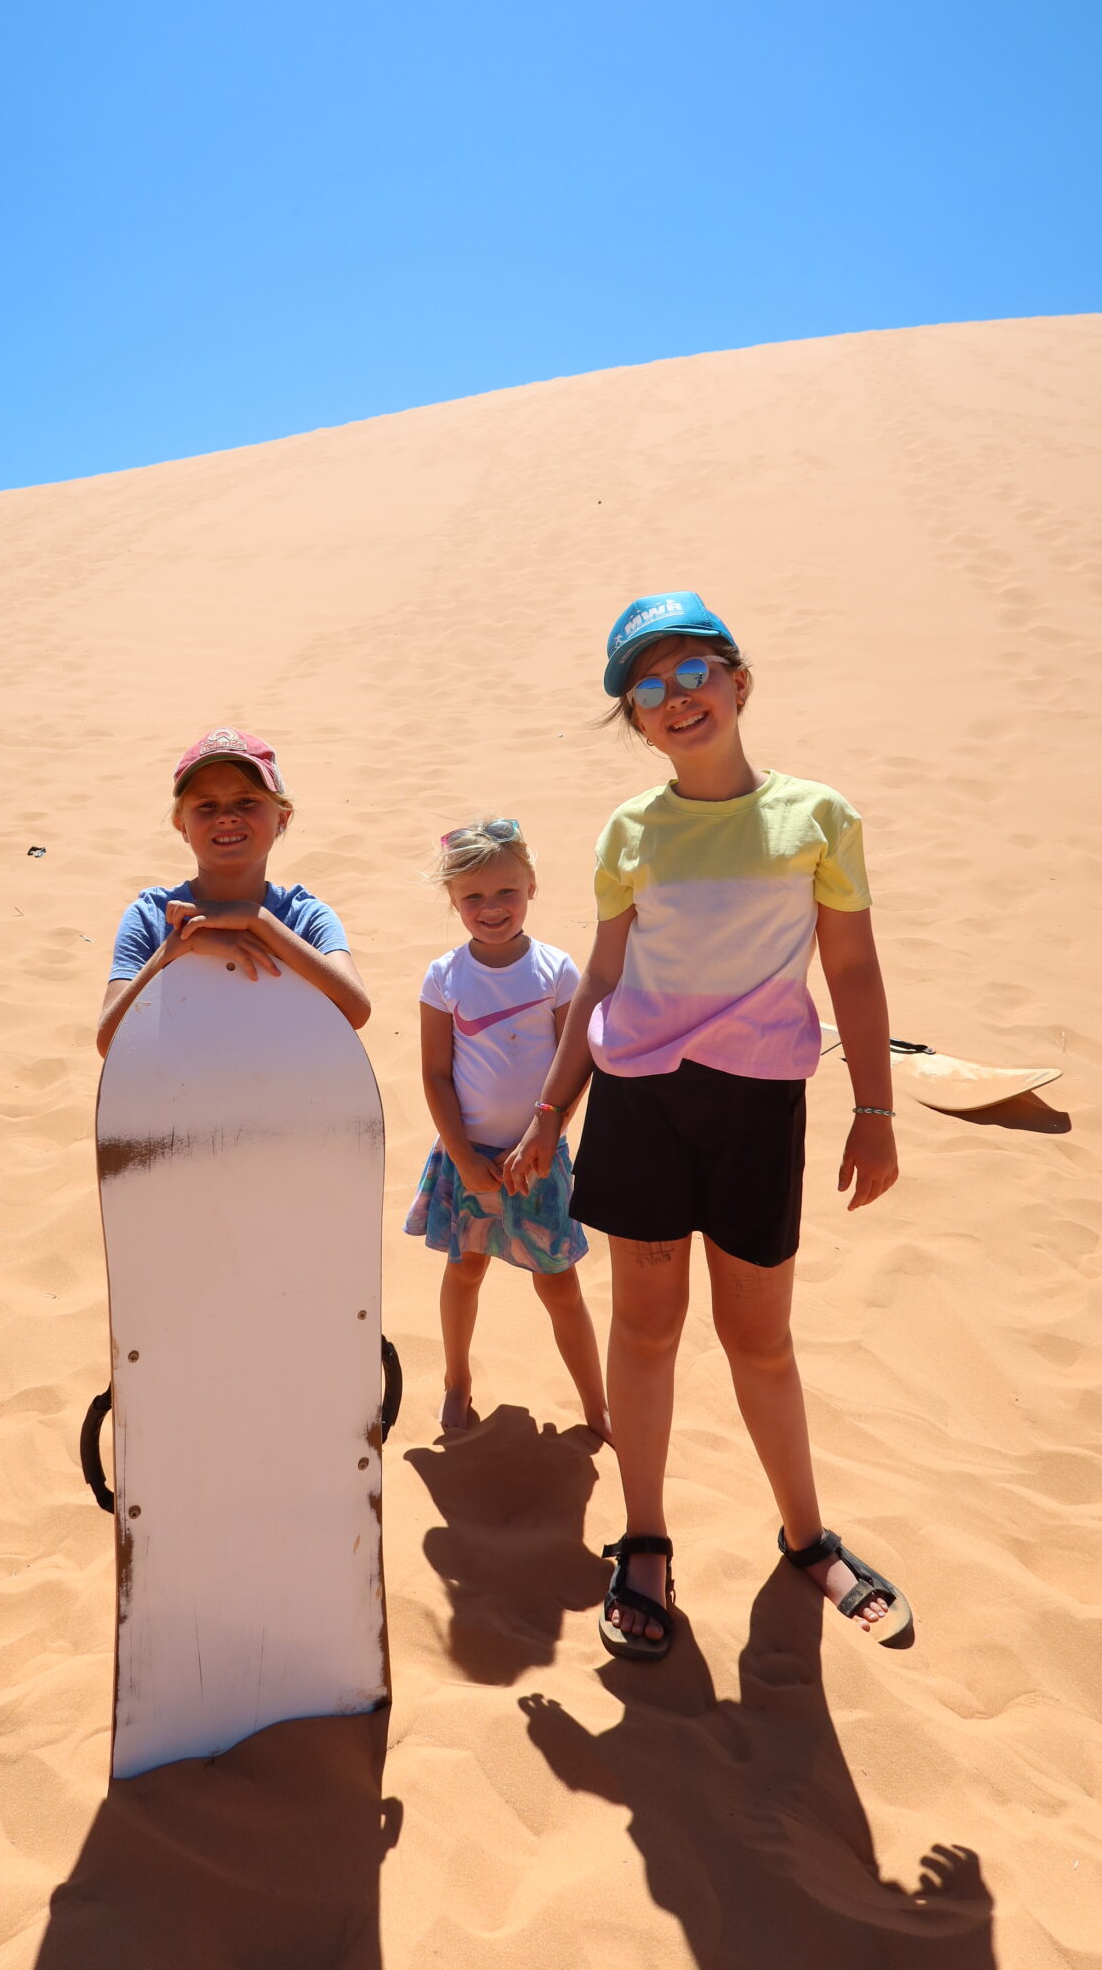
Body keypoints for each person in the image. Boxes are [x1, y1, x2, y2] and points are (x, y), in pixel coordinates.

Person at [504, 594, 911, 1660]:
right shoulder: (628, 832)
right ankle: (643, 1539)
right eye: (648, 687)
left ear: (738, 681)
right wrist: (552, 1106)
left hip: (759, 1104)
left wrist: (873, 1108)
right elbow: (602, 972)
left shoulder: (816, 815)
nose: (675, 698)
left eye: (693, 674)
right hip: (639, 1101)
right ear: (633, 719)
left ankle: (807, 1533)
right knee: (644, 1330)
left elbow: (852, 965)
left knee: (759, 1339)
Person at [405, 817, 610, 1439]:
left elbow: (577, 1065)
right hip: (469, 1159)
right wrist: (465, 1159)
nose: (491, 908)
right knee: (465, 1269)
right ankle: (456, 1380)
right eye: (473, 897)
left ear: (532, 888)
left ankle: (596, 1404)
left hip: (540, 1158)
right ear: (452, 900)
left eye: (506, 892)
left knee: (559, 1284)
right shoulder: (444, 978)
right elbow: (436, 1075)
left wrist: (546, 1138)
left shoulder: (556, 971)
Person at [97, 726, 369, 1058]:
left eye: (246, 801)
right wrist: (177, 947)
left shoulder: (306, 916)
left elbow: (356, 1009)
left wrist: (260, 922)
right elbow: (108, 1041)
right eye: (207, 805)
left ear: (283, 818)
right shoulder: (151, 915)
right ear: (181, 825)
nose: (226, 817)